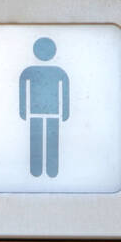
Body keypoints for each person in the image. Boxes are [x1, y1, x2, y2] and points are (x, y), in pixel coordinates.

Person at [18, 37, 70, 177]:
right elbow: (23, 90)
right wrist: (22, 111)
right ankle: (37, 170)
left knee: (51, 141)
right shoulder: (30, 71)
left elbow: (65, 91)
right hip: (39, 113)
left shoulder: (59, 72)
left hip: (49, 112)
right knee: (37, 140)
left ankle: (50, 171)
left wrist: (65, 112)